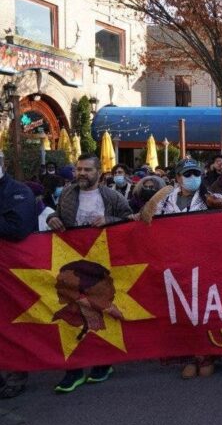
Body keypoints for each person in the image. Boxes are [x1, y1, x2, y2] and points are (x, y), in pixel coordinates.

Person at [45, 154, 133, 393]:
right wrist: (53, 218)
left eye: (87, 170)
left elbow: (130, 220)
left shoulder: (112, 196)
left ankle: (103, 363)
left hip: (102, 267)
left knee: (100, 314)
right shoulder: (67, 194)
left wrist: (110, 220)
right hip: (72, 265)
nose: (81, 173)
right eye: (78, 169)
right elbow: (56, 215)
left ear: (99, 173)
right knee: (73, 314)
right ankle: (73, 370)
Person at [145, 158, 222, 378]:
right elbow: (146, 220)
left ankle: (208, 354)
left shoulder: (211, 197)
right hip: (174, 261)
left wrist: (221, 206)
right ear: (177, 178)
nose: (192, 178)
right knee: (182, 310)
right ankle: (191, 355)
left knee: (204, 309)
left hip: (204, 261)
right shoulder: (165, 199)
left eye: (196, 174)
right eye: (187, 174)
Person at [0, 150, 37, 399]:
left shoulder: (18, 191)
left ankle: (15, 374)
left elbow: (18, 229)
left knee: (12, 324)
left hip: (11, 275)